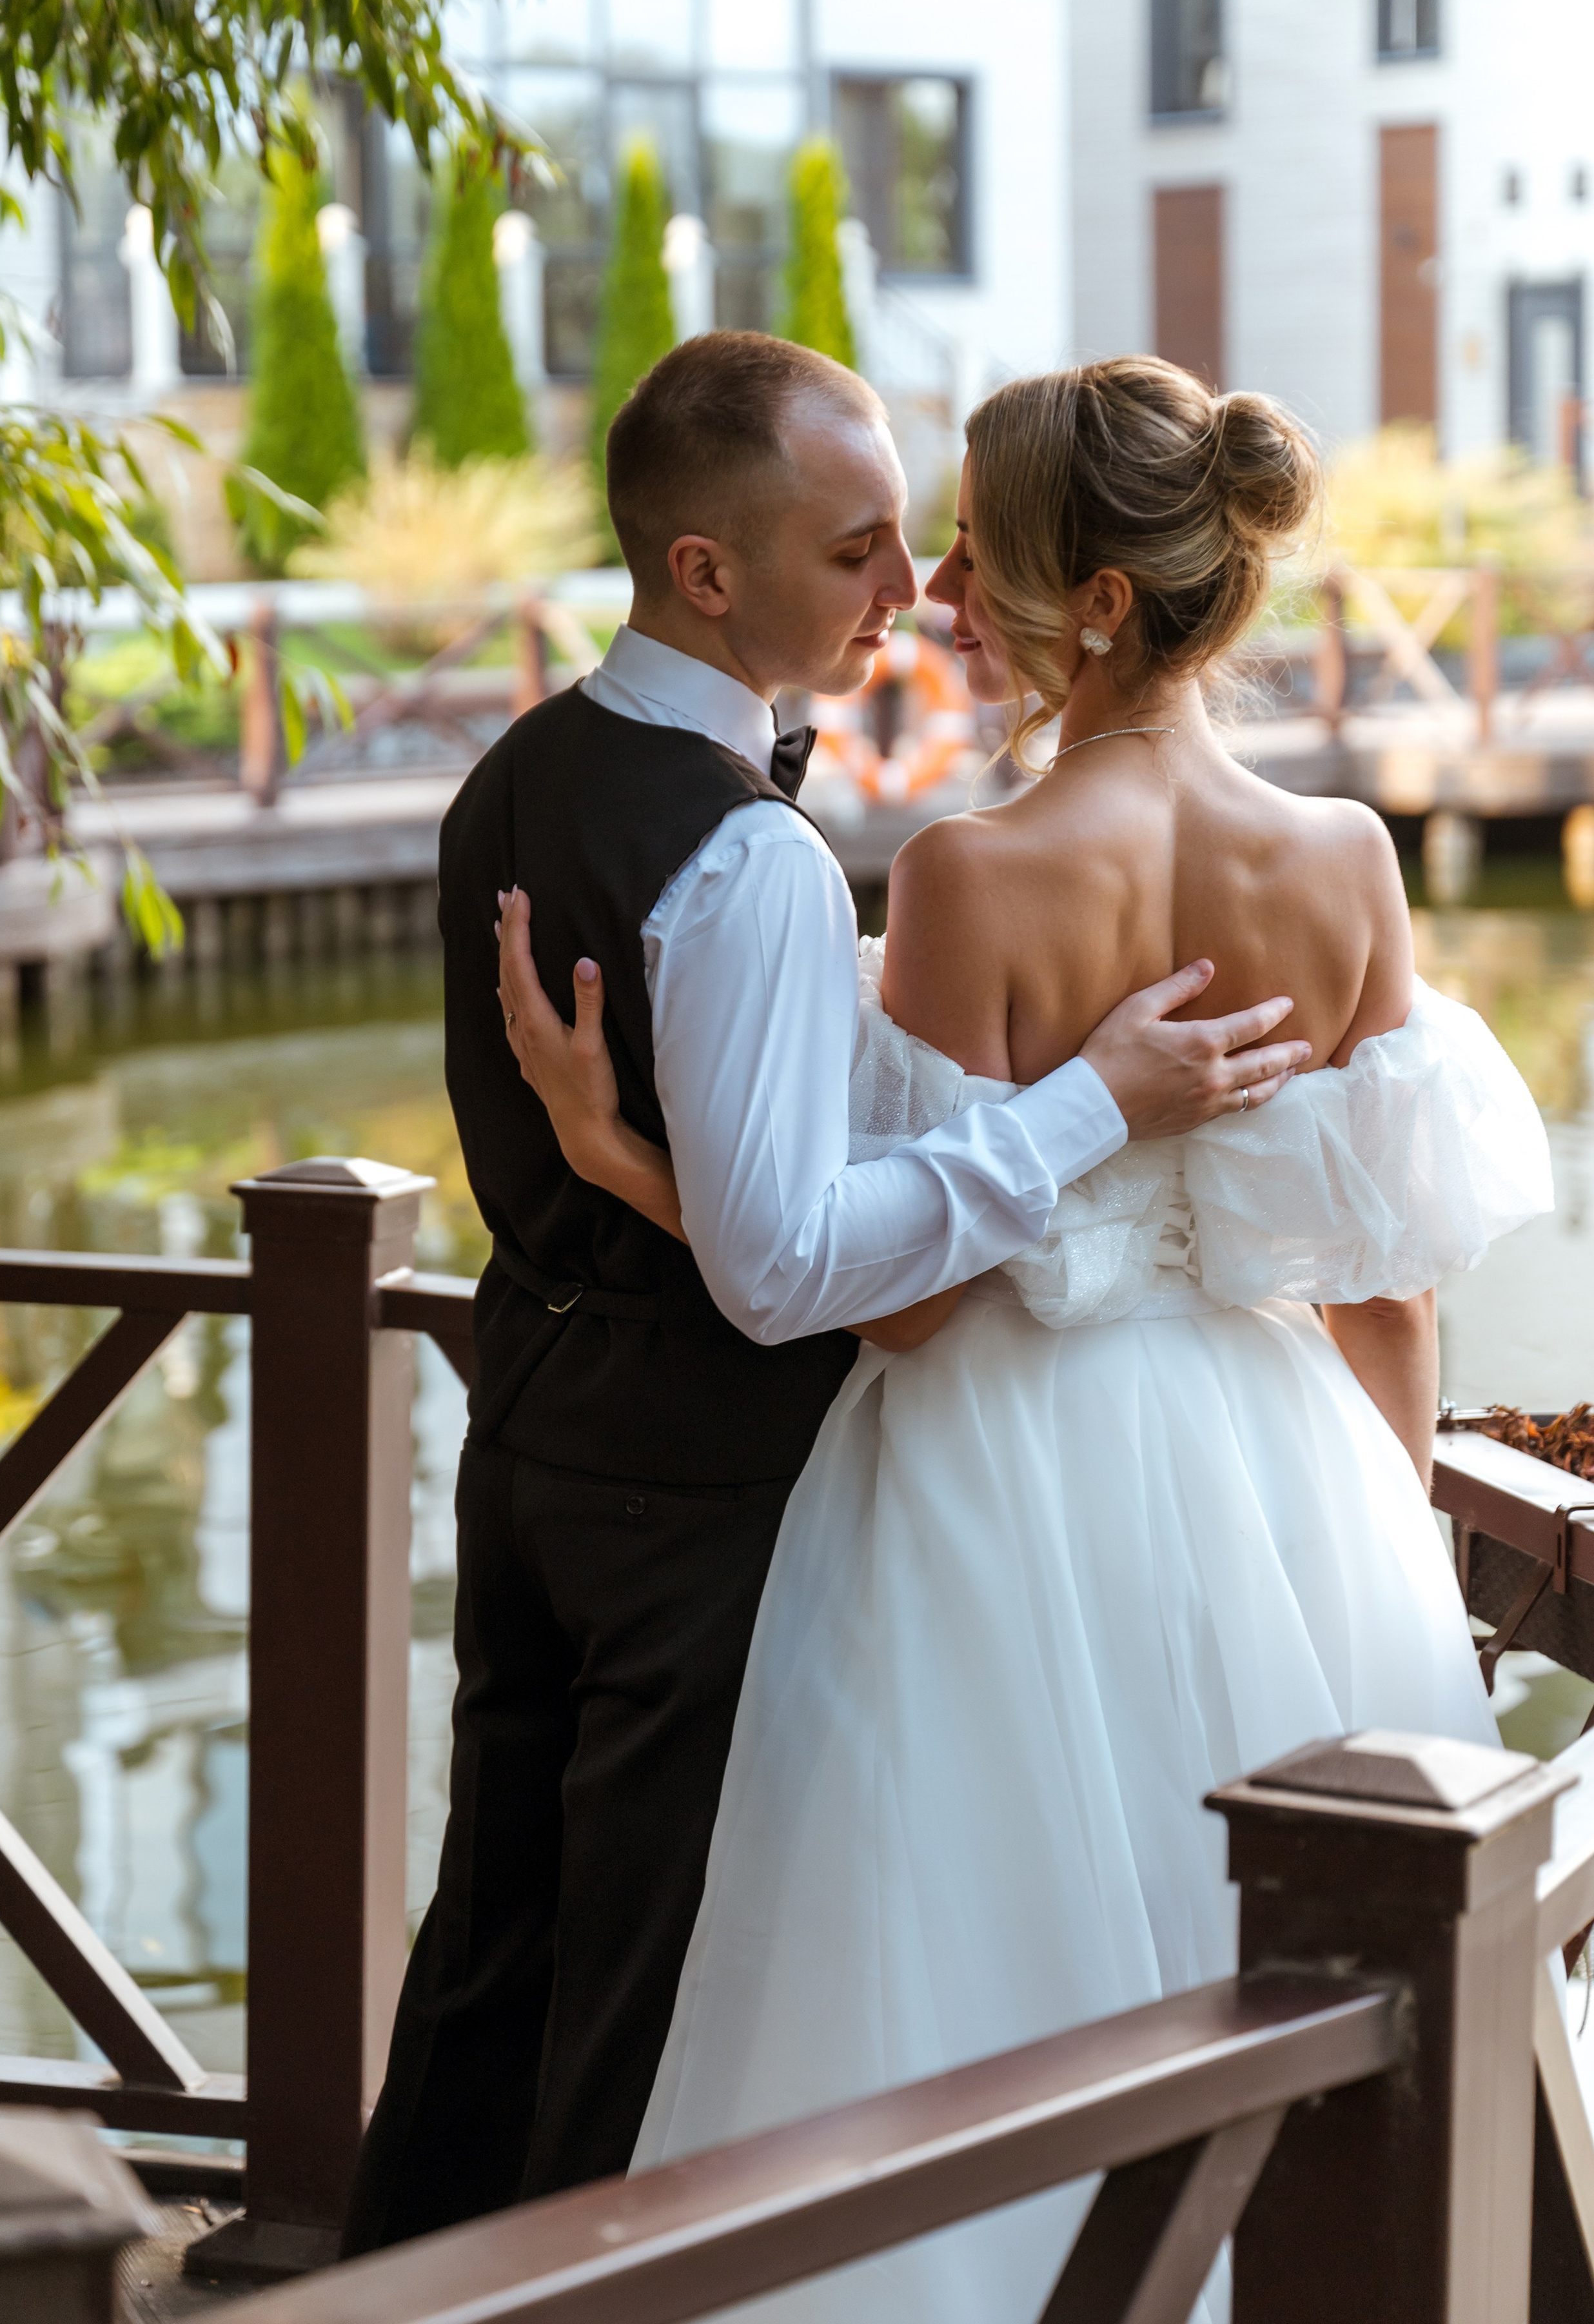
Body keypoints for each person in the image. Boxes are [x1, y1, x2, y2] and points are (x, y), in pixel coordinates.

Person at [495, 355, 1552, 2319]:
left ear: (1099, 601)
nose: (940, 591)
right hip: (1290, 1468)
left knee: (966, 1982)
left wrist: (619, 1157)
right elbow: (1394, 1284)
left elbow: (896, 1297)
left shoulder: (974, 879)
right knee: (1331, 1973)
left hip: (997, 1483)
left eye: (981, 555)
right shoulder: (1346, 864)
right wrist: (1391, 1553)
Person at [340, 335, 1312, 2258]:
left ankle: (384, 2283)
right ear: (710, 573)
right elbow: (789, 1269)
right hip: (698, 1486)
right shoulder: (763, 865)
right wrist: (1087, 1109)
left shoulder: (515, 770)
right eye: (861, 549)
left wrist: (618, 1166)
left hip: (530, 1428)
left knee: (492, 1938)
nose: (907, 595)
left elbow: (663, 1172)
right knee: (644, 1986)